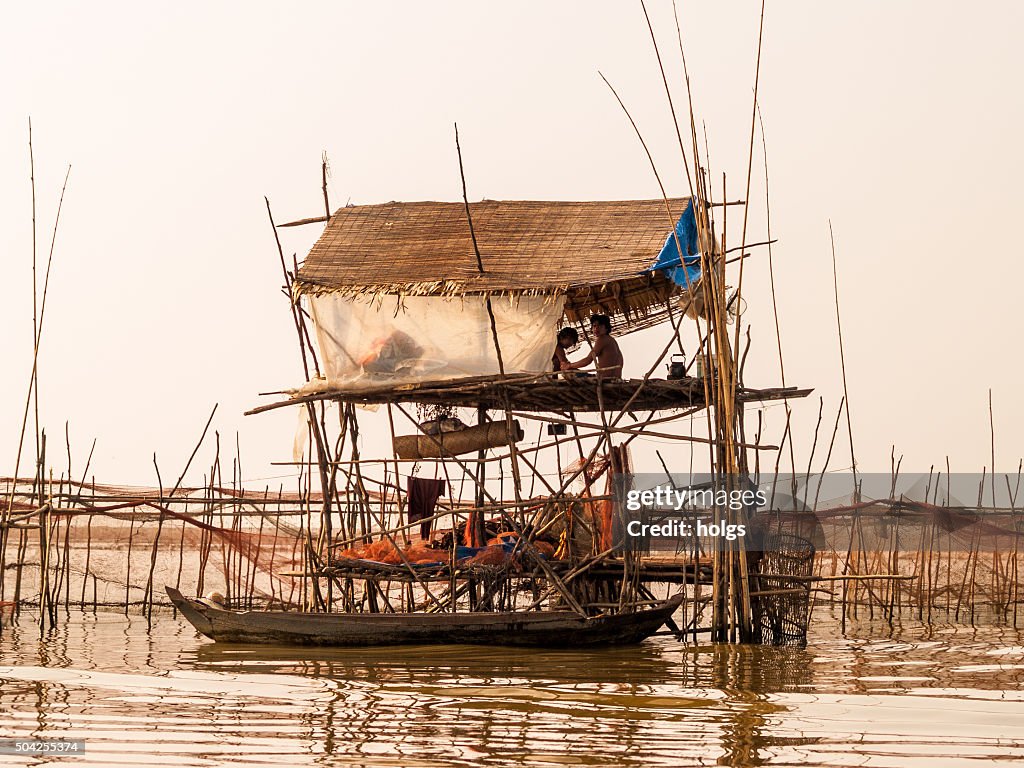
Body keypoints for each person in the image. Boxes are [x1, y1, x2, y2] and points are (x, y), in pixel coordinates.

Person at [565, 314, 623, 379]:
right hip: (615, 379)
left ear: (606, 328)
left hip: (604, 379)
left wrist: (569, 365)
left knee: (568, 371)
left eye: (600, 325)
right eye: (594, 326)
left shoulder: (602, 339)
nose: (596, 328)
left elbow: (588, 360)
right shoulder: (612, 340)